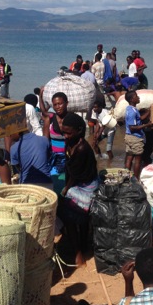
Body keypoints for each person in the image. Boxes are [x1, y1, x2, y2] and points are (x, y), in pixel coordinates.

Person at [59, 113, 99, 266]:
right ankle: (82, 244)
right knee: (74, 211)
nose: (65, 136)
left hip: (86, 185)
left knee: (67, 212)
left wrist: (65, 190)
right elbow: (70, 170)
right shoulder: (69, 143)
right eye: (64, 132)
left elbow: (74, 174)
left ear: (79, 131)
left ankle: (79, 252)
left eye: (68, 133)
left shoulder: (82, 148)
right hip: (77, 181)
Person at [40, 90, 69, 195]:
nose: (58, 107)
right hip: (54, 160)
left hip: (68, 158)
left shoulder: (72, 119)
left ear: (67, 103)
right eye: (55, 104)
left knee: (68, 185)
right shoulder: (50, 120)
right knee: (55, 185)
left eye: (60, 103)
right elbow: (45, 141)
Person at [124, 91, 153, 179]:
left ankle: (126, 178)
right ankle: (136, 180)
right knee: (138, 160)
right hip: (135, 138)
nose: (138, 97)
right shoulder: (132, 112)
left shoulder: (131, 109)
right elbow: (133, 127)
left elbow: (139, 118)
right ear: (132, 99)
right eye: (136, 96)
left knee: (129, 158)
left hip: (128, 137)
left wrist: (149, 111)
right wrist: (147, 125)